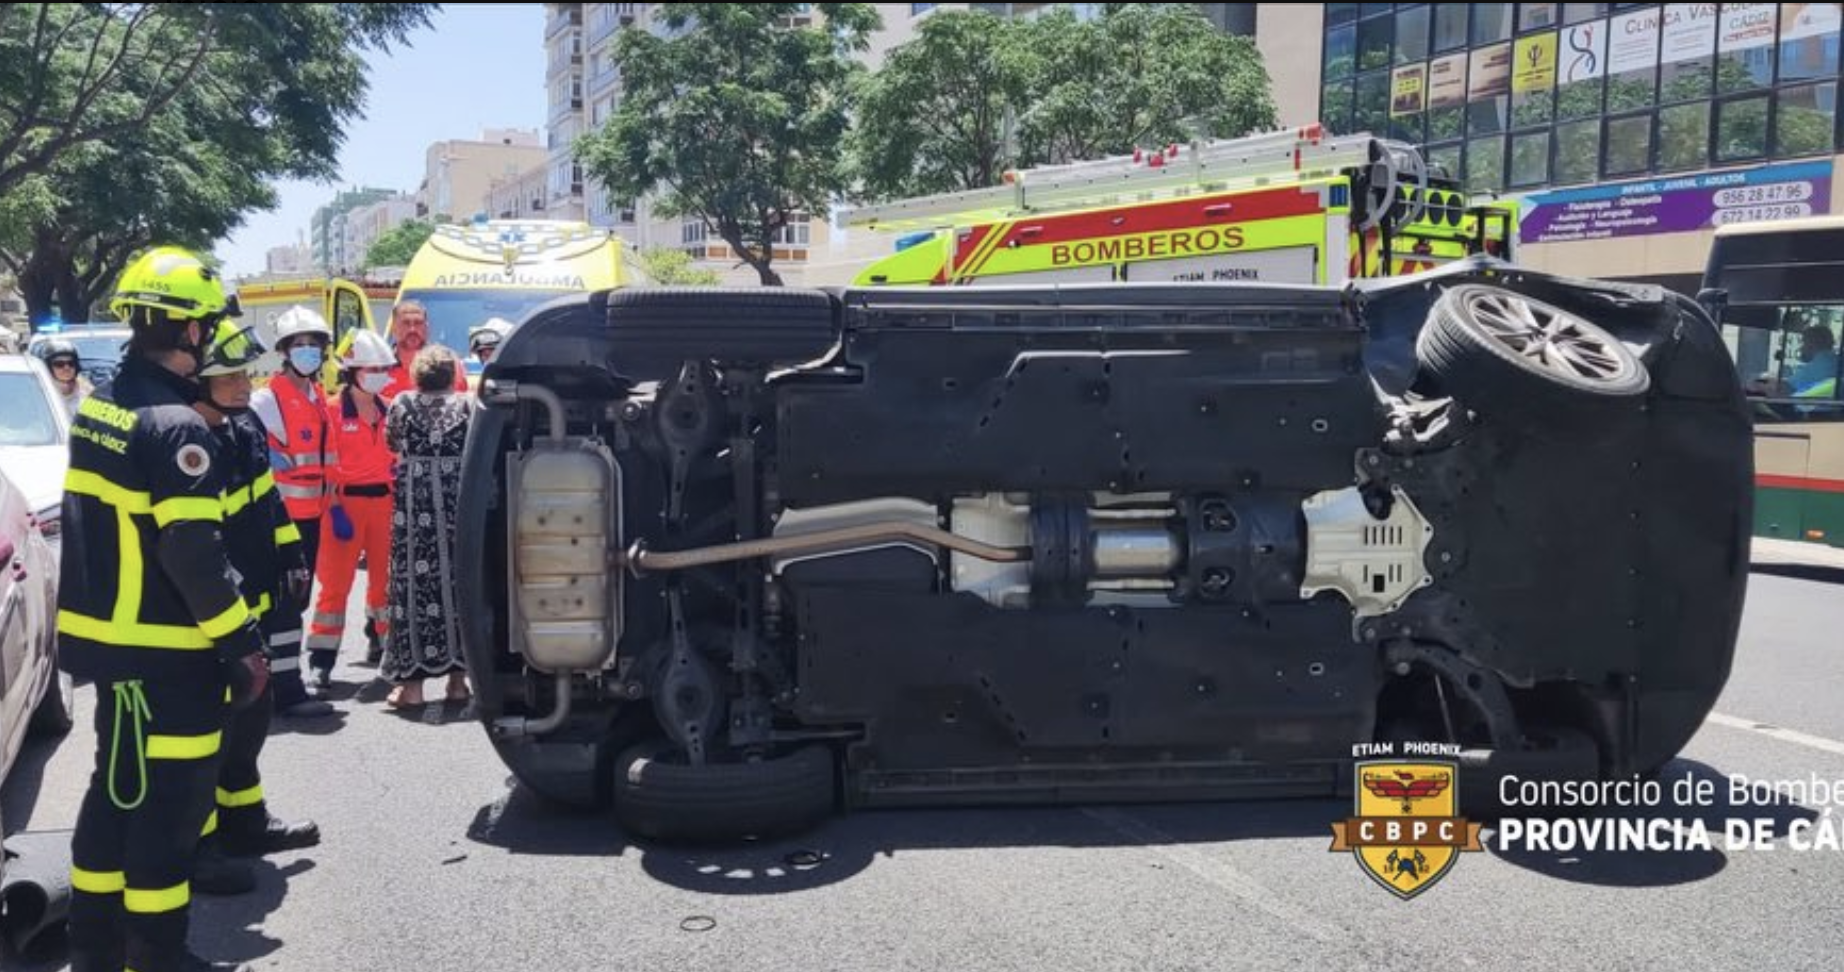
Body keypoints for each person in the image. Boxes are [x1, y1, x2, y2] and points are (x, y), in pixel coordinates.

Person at [61, 245, 266, 972]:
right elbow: (192, 556)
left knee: (114, 793)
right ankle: (155, 953)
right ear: (191, 330)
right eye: (209, 325)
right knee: (170, 810)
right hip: (168, 654)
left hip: (111, 646)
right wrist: (242, 642)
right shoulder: (178, 427)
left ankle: (94, 948)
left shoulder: (101, 407)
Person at [185, 319, 324, 896]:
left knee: (250, 719)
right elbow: (194, 542)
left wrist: (292, 554)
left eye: (245, 374)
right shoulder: (185, 442)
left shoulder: (242, 428)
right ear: (198, 383)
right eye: (230, 378)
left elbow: (268, 499)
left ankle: (245, 821)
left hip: (254, 601)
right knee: (208, 732)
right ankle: (201, 846)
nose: (245, 385)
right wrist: (231, 594)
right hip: (211, 616)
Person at [250, 306, 338, 710]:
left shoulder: (316, 397)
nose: (308, 351)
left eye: (314, 345)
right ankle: (285, 691)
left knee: (296, 602)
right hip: (279, 521)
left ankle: (275, 684)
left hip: (311, 518)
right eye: (299, 345)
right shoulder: (267, 400)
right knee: (284, 606)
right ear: (284, 351)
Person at [302, 330, 397, 688]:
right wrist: (334, 508)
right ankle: (322, 659)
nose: (379, 375)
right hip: (343, 505)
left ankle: (384, 644)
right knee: (335, 585)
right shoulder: (329, 410)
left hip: (385, 503)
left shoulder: (390, 408)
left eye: (383, 369)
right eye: (372, 369)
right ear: (353, 371)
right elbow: (322, 464)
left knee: (385, 582)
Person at [382, 345, 473, 708]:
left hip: (414, 514)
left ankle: (412, 688)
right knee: (459, 585)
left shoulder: (402, 403)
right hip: (457, 510)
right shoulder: (467, 406)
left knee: (411, 588)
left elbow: (391, 442)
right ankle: (458, 684)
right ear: (452, 374)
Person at [379, 299, 468, 398]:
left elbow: (460, 402)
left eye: (418, 323)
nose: (412, 329)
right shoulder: (378, 367)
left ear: (427, 327)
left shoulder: (449, 365)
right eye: (406, 323)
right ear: (394, 328)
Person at [36, 337, 95, 417]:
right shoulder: (39, 393)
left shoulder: (88, 392)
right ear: (47, 367)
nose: (66, 368)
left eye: (71, 363)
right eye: (59, 364)